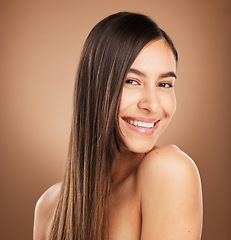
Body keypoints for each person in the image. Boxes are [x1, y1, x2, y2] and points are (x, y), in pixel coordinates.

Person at [33, 12, 203, 240]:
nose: (151, 104)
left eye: (164, 84)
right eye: (132, 81)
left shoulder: (169, 171)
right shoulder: (48, 207)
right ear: (96, 87)